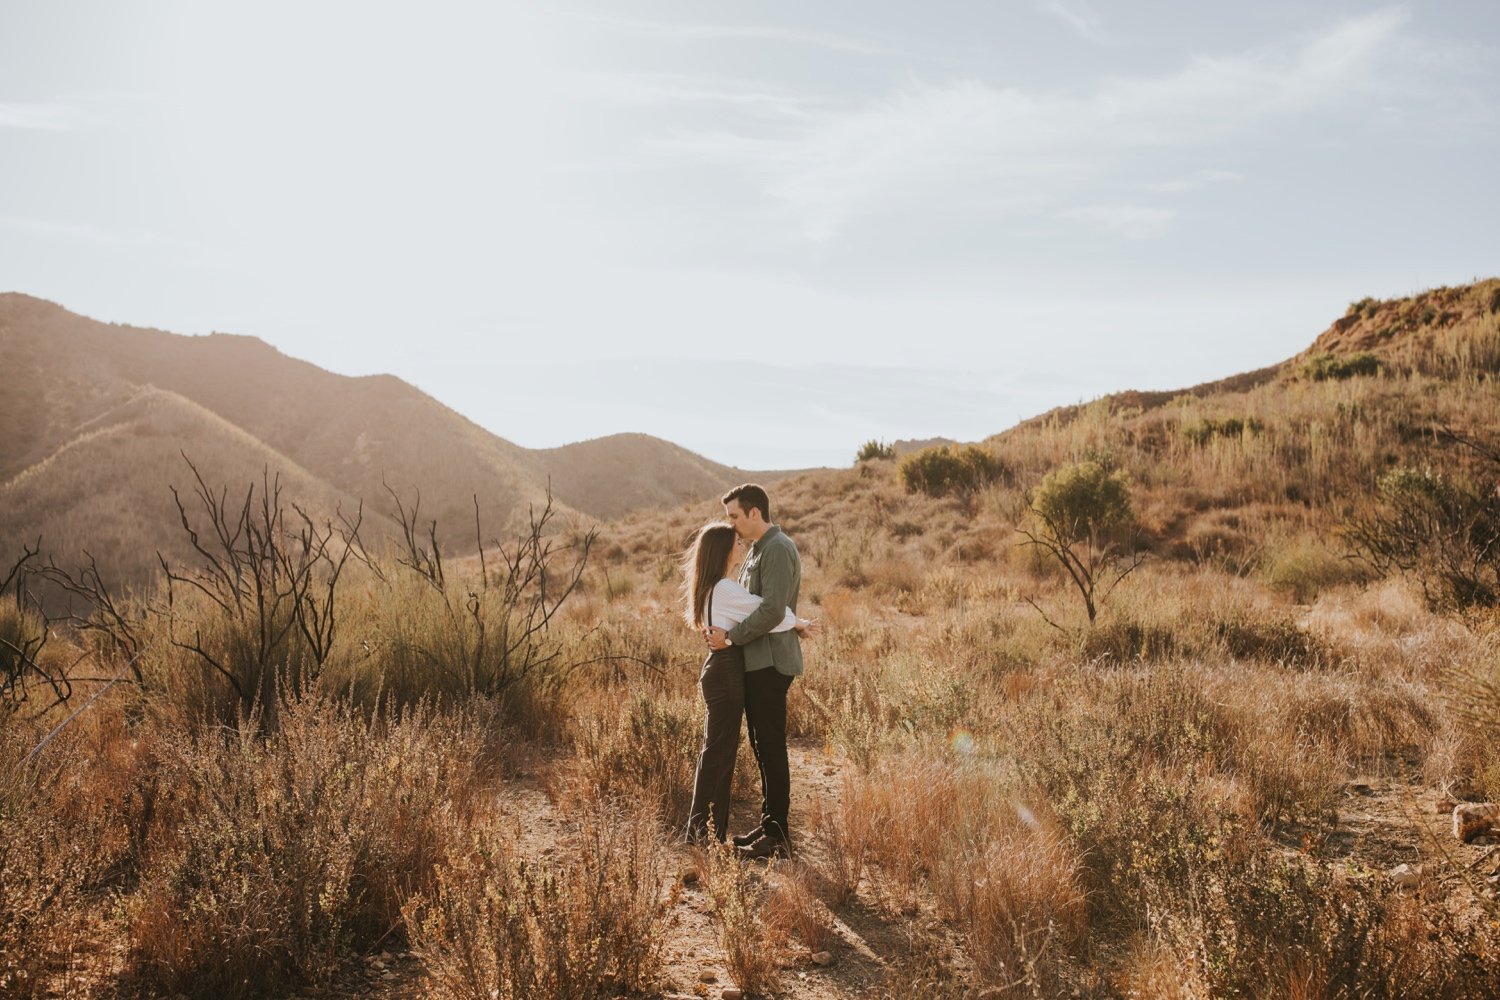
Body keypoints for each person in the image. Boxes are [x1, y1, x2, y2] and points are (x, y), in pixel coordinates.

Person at [681, 521, 816, 846]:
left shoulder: (717, 586)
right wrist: (799, 622)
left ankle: (706, 834)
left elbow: (758, 616)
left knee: (718, 751)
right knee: (718, 753)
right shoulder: (725, 588)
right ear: (725, 551)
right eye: (736, 543)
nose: (742, 547)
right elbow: (769, 614)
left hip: (721, 670)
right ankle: (700, 836)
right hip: (726, 673)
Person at [705, 483, 803, 860]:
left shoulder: (777, 549)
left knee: (771, 747)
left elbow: (773, 610)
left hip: (770, 662)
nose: (731, 524)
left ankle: (778, 835)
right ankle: (769, 826)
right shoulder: (757, 551)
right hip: (756, 660)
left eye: (734, 516)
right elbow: (750, 605)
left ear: (754, 514)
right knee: (761, 746)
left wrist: (730, 638)